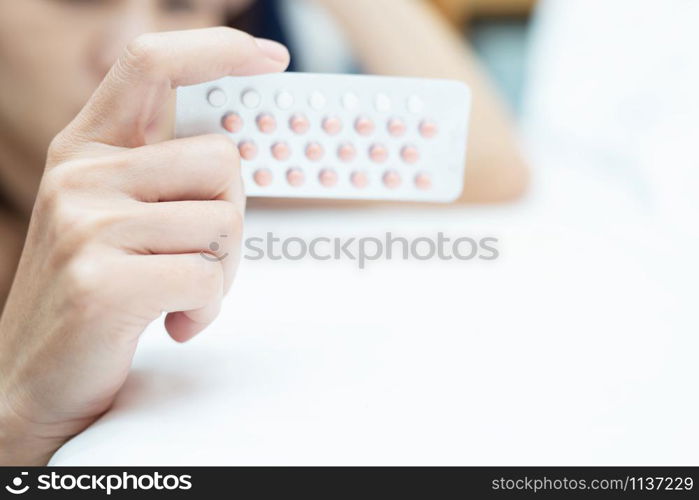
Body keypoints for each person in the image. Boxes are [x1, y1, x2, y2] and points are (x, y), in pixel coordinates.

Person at [0, 0, 527, 465]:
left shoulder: (196, 157)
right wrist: (18, 413)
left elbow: (476, 164)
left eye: (181, 5)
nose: (129, 52)